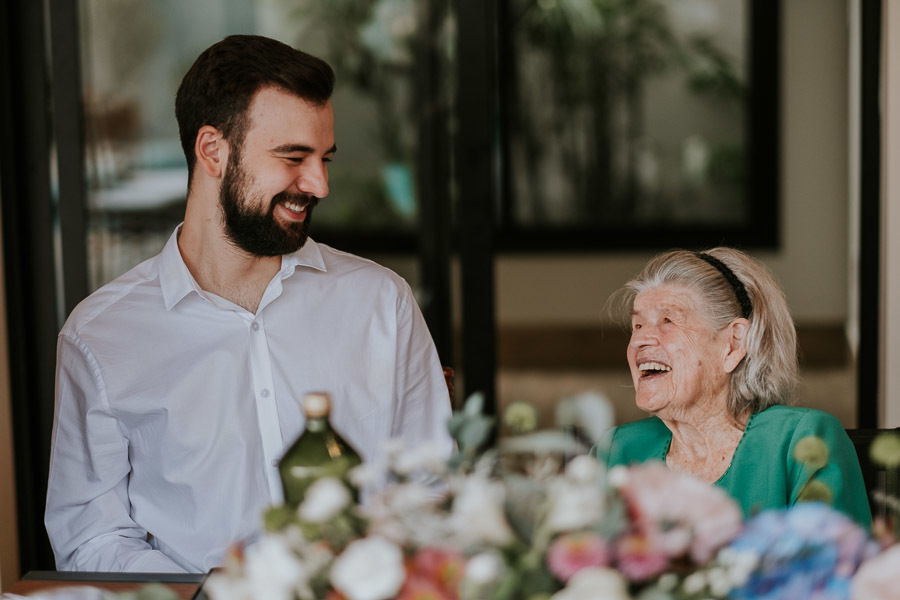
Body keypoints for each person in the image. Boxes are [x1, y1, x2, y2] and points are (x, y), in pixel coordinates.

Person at [45, 35, 454, 573]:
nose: (319, 184)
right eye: (294, 157)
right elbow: (90, 538)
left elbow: (435, 491)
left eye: (324, 158)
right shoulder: (101, 336)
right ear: (213, 149)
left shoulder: (383, 303)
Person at [597, 247, 871, 527]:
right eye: (638, 325)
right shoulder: (618, 450)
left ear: (734, 343)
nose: (641, 340)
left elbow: (829, 564)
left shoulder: (799, 440)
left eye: (668, 320)